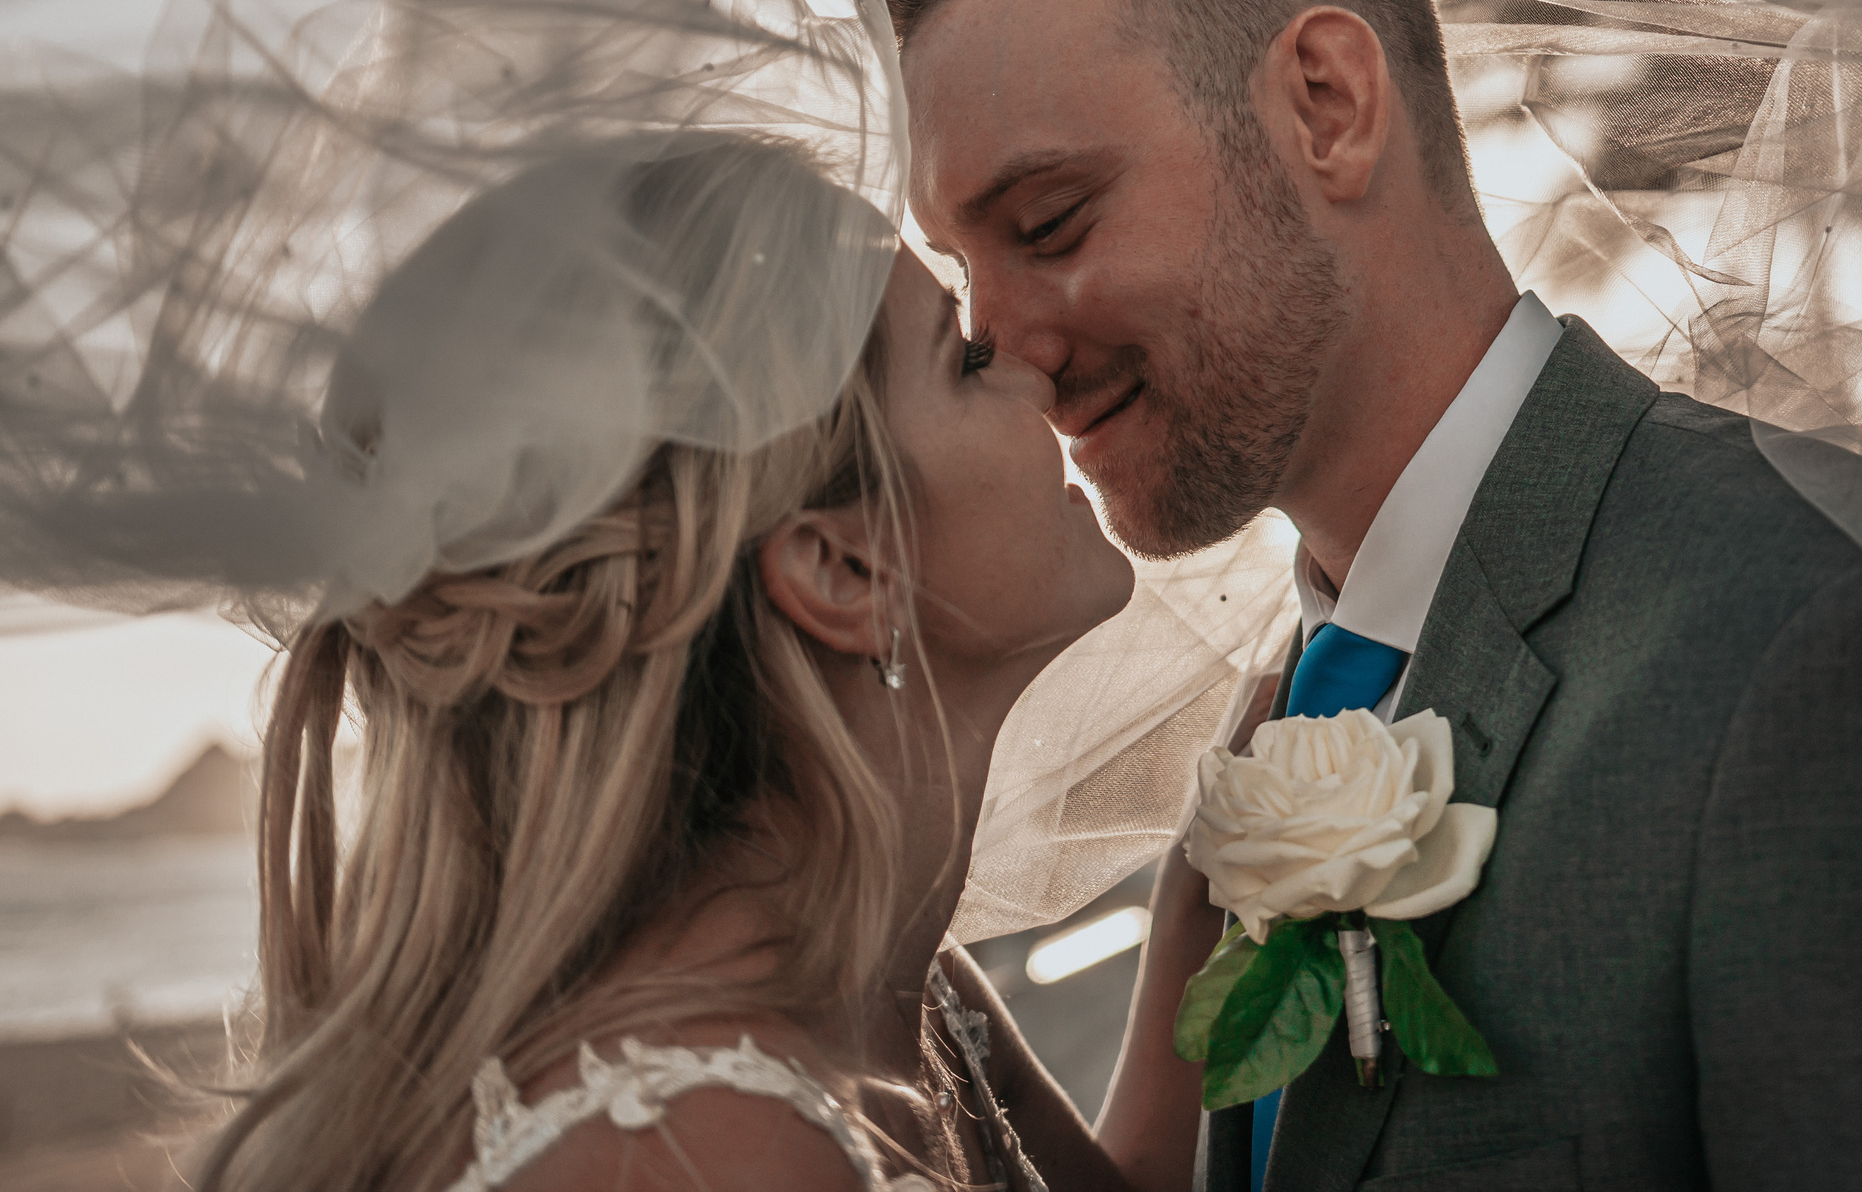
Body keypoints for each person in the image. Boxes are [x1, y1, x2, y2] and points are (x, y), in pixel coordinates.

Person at [890, 0, 1862, 1191]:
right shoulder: (1290, 718)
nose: (1000, 344)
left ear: (1326, 104)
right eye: (959, 274)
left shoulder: (1846, 659)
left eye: (1050, 224)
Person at [195, 130, 1164, 1192]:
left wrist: (1226, 882)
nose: (1031, 370)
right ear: (843, 568)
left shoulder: (910, 999)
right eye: (966, 361)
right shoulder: (698, 1154)